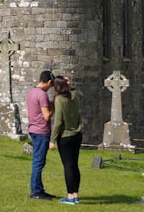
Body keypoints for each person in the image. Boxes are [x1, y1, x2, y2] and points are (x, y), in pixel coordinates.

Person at [50, 75, 83, 205]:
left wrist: (52, 140)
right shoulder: (74, 96)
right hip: (77, 135)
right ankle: (75, 194)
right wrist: (71, 85)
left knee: (68, 166)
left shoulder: (59, 99)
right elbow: (81, 94)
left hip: (65, 136)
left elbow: (58, 122)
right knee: (74, 165)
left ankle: (70, 196)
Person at [26, 70, 56, 200]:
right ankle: (36, 191)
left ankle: (39, 189)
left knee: (38, 161)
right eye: (51, 85)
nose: (50, 88)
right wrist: (54, 107)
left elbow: (28, 114)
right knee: (39, 162)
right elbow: (46, 116)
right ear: (48, 82)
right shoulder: (42, 95)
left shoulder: (31, 93)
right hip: (41, 131)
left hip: (33, 129)